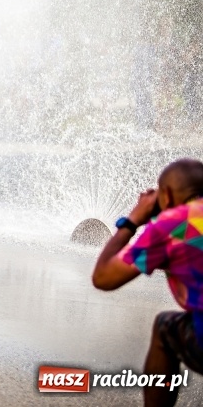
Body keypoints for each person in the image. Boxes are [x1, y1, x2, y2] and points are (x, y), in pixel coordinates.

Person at [92, 158, 203, 406]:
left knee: (165, 327)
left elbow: (103, 277)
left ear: (168, 195)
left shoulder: (172, 225)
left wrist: (132, 221)